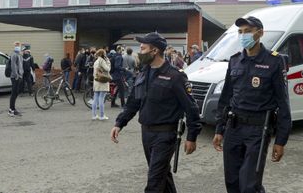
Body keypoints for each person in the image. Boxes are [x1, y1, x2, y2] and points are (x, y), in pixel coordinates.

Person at [110, 32, 202, 193]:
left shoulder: (175, 76)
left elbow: (191, 108)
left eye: (143, 48)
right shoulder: (144, 73)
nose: (140, 52)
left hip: (166, 135)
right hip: (146, 133)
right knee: (162, 177)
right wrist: (119, 123)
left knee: (154, 182)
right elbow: (133, 102)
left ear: (155, 51)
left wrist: (192, 137)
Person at [212, 16, 292, 193]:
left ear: (260, 33)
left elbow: (283, 103)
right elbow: (226, 98)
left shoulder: (274, 61)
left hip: (258, 131)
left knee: (249, 185)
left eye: (247, 31)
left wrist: (281, 140)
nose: (243, 35)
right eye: (240, 32)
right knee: (232, 183)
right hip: (233, 128)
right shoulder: (234, 61)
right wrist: (219, 129)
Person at [92, 49, 111, 120]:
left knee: (95, 98)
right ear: (103, 54)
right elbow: (108, 69)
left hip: (96, 81)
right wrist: (108, 62)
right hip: (102, 81)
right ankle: (102, 116)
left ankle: (94, 115)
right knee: (101, 99)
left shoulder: (96, 61)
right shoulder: (102, 61)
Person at [9, 41, 24, 116]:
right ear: (14, 46)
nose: (18, 46)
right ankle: (11, 110)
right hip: (15, 77)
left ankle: (13, 109)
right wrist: (16, 76)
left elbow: (20, 66)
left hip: (19, 76)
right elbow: (13, 66)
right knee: (14, 93)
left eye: (19, 45)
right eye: (16, 45)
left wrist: (21, 74)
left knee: (16, 92)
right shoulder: (14, 54)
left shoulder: (19, 55)